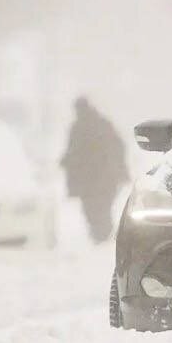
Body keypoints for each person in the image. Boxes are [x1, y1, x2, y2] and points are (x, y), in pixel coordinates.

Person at [60, 96, 128, 242]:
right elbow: (118, 147)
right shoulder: (100, 125)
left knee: (95, 210)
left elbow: (74, 152)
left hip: (95, 180)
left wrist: (67, 162)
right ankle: (102, 236)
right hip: (101, 180)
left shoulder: (83, 127)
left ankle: (101, 236)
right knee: (99, 210)